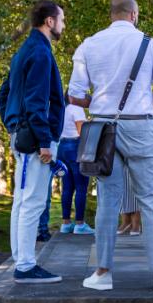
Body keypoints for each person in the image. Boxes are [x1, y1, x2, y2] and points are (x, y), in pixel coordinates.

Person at [69, 0, 153, 291]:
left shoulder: (88, 45)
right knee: (150, 200)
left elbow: (75, 92)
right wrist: (145, 99)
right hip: (140, 125)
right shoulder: (152, 46)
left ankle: (103, 273)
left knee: (108, 201)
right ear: (134, 15)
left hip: (103, 128)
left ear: (112, 14)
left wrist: (100, 100)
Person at [0, 0, 67, 284]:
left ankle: (21, 259)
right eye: (62, 20)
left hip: (22, 133)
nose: (64, 25)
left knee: (22, 201)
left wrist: (12, 124)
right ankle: (25, 265)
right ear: (49, 21)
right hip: (35, 138)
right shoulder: (39, 52)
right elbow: (36, 101)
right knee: (33, 202)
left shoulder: (23, 51)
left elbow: (5, 94)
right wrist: (44, 140)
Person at [56, 93, 94, 235]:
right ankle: (79, 224)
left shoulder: (63, 108)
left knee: (67, 187)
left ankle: (66, 223)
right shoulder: (76, 109)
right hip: (75, 147)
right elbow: (81, 132)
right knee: (81, 187)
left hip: (62, 147)